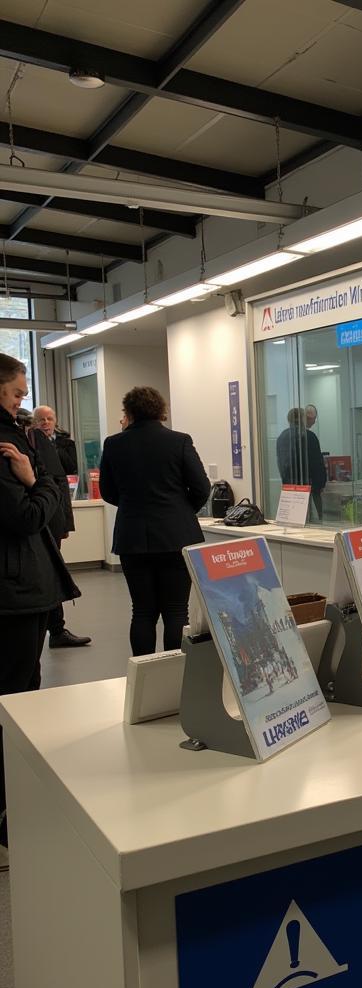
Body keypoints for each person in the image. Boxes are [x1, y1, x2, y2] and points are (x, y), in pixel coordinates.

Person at [0, 355, 79, 852]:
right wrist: (39, 481)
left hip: (20, 589)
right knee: (15, 695)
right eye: (15, 394)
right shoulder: (9, 448)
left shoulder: (24, 437)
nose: (22, 403)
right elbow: (29, 517)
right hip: (14, 592)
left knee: (22, 686)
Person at [99, 386, 211, 655]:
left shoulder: (113, 444)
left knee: (142, 611)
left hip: (132, 536)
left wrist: (131, 506)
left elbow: (108, 491)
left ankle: (145, 675)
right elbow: (202, 488)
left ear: (130, 412)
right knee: (176, 610)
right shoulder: (179, 441)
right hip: (176, 536)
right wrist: (182, 511)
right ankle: (174, 673)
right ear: (161, 410)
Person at [31, 405, 91, 648]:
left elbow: (67, 472)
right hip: (40, 514)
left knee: (53, 567)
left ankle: (56, 629)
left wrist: (66, 522)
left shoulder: (63, 442)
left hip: (53, 514)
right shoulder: (30, 442)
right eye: (41, 419)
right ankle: (54, 628)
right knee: (49, 570)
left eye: (50, 419)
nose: (46, 423)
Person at [304, 404, 327, 521]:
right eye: (314, 419)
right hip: (311, 480)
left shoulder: (285, 436)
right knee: (314, 506)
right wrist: (321, 481)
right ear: (310, 417)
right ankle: (319, 519)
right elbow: (316, 462)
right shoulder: (310, 437)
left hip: (296, 483)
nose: (314, 422)